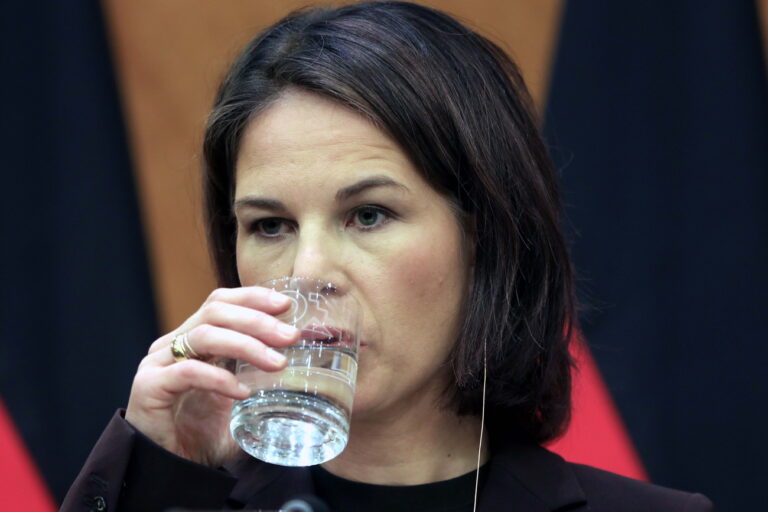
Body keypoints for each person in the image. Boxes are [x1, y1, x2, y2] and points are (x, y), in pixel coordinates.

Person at [61, 2, 713, 511]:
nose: (307, 270)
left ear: (486, 236)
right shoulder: (173, 499)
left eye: (368, 215)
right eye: (270, 225)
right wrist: (151, 470)